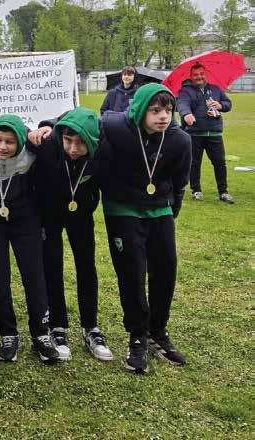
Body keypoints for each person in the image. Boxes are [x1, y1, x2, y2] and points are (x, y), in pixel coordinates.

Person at [96, 83, 191, 374]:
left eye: (168, 110)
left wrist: (171, 209)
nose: (163, 116)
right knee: (132, 272)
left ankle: (157, 332)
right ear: (139, 110)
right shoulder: (114, 126)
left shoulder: (179, 140)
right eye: (155, 110)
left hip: (159, 209)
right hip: (122, 209)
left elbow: (180, 182)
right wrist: (48, 126)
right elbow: (78, 120)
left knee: (166, 268)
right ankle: (137, 335)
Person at [0, 115, 59, 364]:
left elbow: (57, 136)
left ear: (20, 141)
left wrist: (47, 127)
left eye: (10, 142)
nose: (2, 147)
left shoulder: (32, 156)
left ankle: (41, 333)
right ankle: (8, 334)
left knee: (34, 275)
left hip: (25, 220)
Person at [32, 108, 113, 362]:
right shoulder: (48, 145)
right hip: (50, 214)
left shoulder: (104, 149)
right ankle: (57, 327)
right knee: (52, 265)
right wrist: (46, 124)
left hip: (82, 215)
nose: (73, 149)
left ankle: (91, 327)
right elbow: (21, 133)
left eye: (80, 143)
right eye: (68, 140)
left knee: (86, 266)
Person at [177, 63, 234, 204]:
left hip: (214, 133)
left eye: (201, 74)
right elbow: (182, 104)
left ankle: (223, 192)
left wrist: (220, 105)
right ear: (191, 76)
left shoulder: (215, 89)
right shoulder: (186, 91)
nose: (199, 77)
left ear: (205, 74)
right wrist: (186, 114)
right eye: (195, 75)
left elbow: (228, 103)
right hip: (195, 133)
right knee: (194, 164)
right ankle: (196, 190)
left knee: (220, 163)